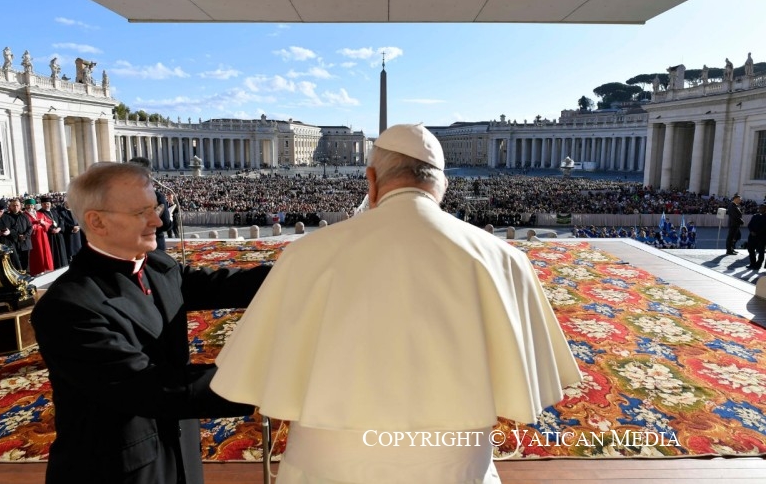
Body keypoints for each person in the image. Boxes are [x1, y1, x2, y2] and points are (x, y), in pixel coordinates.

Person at [211, 123, 582, 484]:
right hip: (456, 465)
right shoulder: (505, 259)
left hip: (328, 466)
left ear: (371, 181)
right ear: (442, 184)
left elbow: (261, 368)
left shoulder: (307, 253)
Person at [30, 162, 270, 484]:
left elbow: (220, 284)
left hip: (179, 449)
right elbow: (150, 387)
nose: (158, 220)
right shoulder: (68, 307)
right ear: (96, 221)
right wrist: (267, 377)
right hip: (119, 468)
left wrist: (302, 272)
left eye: (155, 207)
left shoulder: (157, 264)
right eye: (141, 212)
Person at [128, 156, 171, 250]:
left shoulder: (120, 197)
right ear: (148, 174)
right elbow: (165, 224)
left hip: (129, 245)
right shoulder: (157, 196)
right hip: (154, 245)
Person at [0, 199, 22, 270]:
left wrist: (9, 232)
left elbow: (15, 228)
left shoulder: (8, 218)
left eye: (1, 212)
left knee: (14, 263)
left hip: (8, 243)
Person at [23, 198, 54, 275]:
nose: (30, 207)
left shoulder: (40, 214)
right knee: (37, 253)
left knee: (45, 252)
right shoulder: (24, 216)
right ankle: (37, 270)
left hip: (43, 236)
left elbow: (49, 222)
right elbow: (25, 226)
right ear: (25, 206)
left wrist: (43, 222)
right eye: (28, 205)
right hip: (33, 237)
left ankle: (46, 268)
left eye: (32, 205)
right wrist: (35, 226)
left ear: (34, 206)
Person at [39, 196, 69, 269]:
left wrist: (59, 228)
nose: (46, 205)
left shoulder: (54, 211)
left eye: (48, 203)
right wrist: (51, 229)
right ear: (41, 204)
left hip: (59, 234)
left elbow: (61, 220)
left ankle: (63, 266)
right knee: (53, 253)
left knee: (62, 252)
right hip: (50, 236)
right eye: (44, 204)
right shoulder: (40, 213)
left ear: (50, 204)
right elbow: (41, 224)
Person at [6, 198, 33, 272]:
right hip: (14, 242)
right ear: (10, 206)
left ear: (20, 206)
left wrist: (25, 236)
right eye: (13, 206)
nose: (15, 207)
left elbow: (30, 227)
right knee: (15, 261)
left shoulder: (24, 216)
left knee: (25, 261)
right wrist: (17, 236)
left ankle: (24, 275)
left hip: (25, 242)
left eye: (17, 205)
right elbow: (8, 229)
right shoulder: (7, 216)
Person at [746, 204, 766, 270]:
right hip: (752, 236)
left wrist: (757, 233)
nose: (760, 209)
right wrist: (751, 231)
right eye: (760, 208)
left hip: (761, 237)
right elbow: (749, 225)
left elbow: (764, 228)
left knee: (761, 251)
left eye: (762, 208)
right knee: (750, 249)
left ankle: (758, 264)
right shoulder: (755, 216)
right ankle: (752, 263)